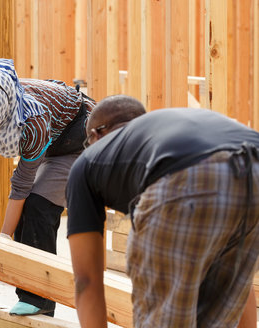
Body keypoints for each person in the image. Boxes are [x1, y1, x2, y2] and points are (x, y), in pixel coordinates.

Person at [66, 95, 259, 327]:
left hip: (189, 174)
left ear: (97, 134)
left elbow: (87, 281)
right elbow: (241, 287)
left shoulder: (88, 162)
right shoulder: (159, 133)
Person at [0, 58, 96, 317]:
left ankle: (41, 300)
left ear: (2, 112)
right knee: (25, 212)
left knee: (37, 206)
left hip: (80, 141)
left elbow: (21, 186)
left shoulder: (32, 121)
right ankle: (30, 293)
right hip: (53, 137)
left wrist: (2, 242)